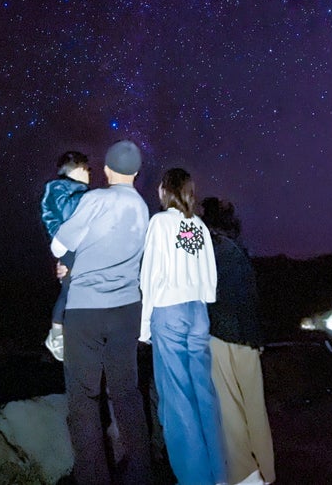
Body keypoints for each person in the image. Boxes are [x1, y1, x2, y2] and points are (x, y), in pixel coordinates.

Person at [51, 140, 152, 485]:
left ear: (107, 170)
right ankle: (141, 474)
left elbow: (60, 244)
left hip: (86, 310)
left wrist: (70, 262)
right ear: (136, 173)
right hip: (127, 310)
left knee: (83, 399)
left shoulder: (94, 199)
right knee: (126, 393)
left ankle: (94, 478)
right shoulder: (143, 209)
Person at [140, 168, 228, 485]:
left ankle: (194, 478)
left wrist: (144, 326)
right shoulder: (198, 226)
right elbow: (209, 273)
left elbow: (150, 276)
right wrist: (203, 300)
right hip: (198, 312)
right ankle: (219, 472)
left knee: (177, 399)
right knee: (204, 393)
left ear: (165, 190)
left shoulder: (160, 223)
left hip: (170, 311)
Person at [201, 198, 275, 485]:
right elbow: (250, 298)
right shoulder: (239, 250)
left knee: (230, 410)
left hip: (221, 336)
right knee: (255, 407)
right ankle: (265, 470)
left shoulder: (210, 247)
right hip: (248, 337)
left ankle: (244, 475)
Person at [40, 150, 90, 360]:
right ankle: (57, 334)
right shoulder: (63, 189)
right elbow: (70, 216)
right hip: (69, 245)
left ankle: (64, 334)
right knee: (70, 289)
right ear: (77, 170)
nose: (90, 175)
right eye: (87, 170)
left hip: (72, 246)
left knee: (71, 289)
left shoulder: (68, 190)